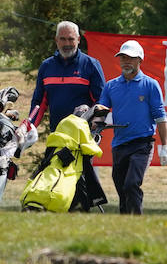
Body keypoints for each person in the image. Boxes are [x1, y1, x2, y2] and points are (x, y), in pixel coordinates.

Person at [24, 21, 108, 210]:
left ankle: (80, 213)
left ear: (78, 40)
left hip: (83, 137)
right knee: (56, 175)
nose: (67, 43)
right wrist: (29, 126)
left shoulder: (91, 65)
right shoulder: (47, 66)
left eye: (71, 39)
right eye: (63, 39)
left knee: (78, 178)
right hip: (58, 136)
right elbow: (39, 103)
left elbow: (102, 101)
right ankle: (61, 210)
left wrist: (95, 123)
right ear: (56, 40)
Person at [94, 39, 167, 215]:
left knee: (131, 183)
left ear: (140, 60)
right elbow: (101, 112)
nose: (125, 61)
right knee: (121, 187)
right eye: (123, 58)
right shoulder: (111, 86)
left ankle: (135, 221)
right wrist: (93, 127)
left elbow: (160, 116)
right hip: (119, 144)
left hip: (142, 144)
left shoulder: (150, 85)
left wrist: (165, 146)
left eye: (130, 58)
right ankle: (125, 223)